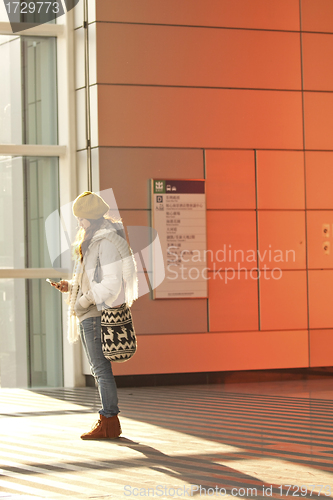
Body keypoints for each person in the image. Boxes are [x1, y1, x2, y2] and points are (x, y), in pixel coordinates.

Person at [49, 191, 138, 440]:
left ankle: (109, 421)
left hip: (95, 312)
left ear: (92, 218)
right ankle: (108, 420)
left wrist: (84, 299)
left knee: (100, 369)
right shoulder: (97, 239)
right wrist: (70, 285)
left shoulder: (106, 242)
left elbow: (111, 284)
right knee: (100, 368)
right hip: (90, 309)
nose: (79, 222)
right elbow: (91, 278)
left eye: (82, 218)